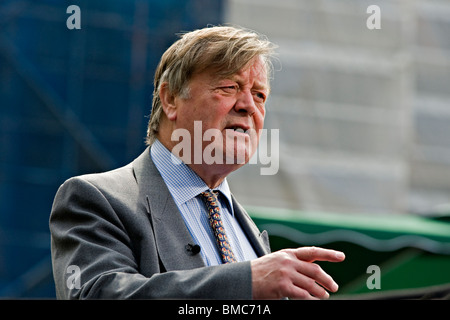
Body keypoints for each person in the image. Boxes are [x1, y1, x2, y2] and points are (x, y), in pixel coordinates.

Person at [49, 25, 345, 300]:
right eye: (229, 87)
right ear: (171, 99)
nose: (249, 106)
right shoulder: (95, 198)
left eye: (259, 94)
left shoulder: (249, 232)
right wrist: (244, 281)